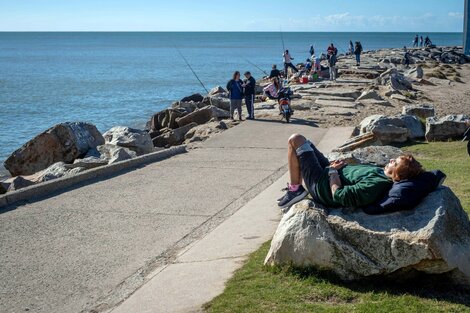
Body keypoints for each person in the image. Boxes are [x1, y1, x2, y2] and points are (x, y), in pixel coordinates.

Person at [277, 134, 425, 210]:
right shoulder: (380, 172)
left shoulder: (376, 183)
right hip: (329, 172)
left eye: (395, 162)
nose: (392, 160)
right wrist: (335, 168)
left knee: (295, 139)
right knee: (306, 142)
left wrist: (333, 173)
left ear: (398, 174)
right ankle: (295, 188)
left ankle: (295, 190)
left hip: (322, 187)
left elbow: (341, 196)